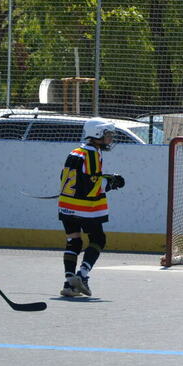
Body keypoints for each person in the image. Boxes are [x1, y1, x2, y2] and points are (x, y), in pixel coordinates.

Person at [57, 118, 125, 298]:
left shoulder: (75, 151)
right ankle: (82, 275)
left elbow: (70, 177)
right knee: (98, 239)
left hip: (66, 205)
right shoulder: (93, 154)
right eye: (107, 134)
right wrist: (111, 184)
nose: (110, 138)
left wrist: (106, 178)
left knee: (74, 241)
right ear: (97, 134)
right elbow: (92, 184)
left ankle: (69, 283)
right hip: (84, 207)